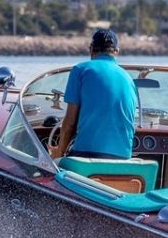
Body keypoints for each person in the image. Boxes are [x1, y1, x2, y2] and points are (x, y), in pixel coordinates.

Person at [51, 29, 137, 160]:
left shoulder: (80, 70)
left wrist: (59, 152)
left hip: (87, 156)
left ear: (91, 50)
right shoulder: (128, 78)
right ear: (117, 51)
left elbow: (69, 124)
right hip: (123, 158)